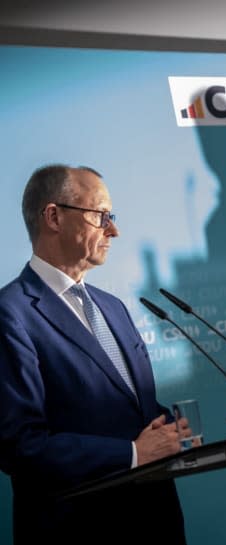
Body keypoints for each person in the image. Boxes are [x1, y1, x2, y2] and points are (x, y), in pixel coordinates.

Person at [0, 165, 189, 544]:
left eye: (112, 217)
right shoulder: (11, 313)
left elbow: (130, 406)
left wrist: (168, 428)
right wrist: (132, 453)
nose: (113, 230)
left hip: (155, 519)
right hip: (79, 527)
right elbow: (21, 445)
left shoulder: (113, 307)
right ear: (53, 216)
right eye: (101, 216)